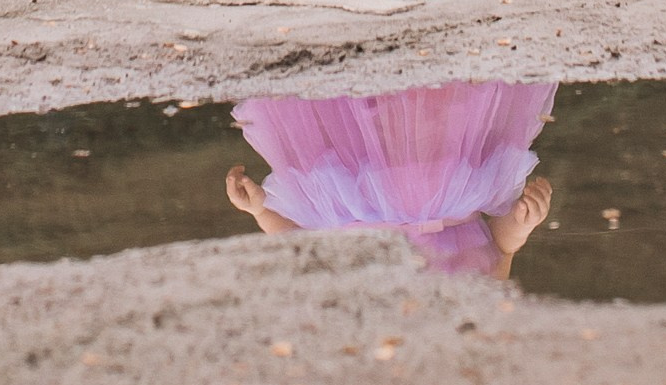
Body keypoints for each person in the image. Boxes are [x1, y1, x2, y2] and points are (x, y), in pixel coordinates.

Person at [224, 77, 555, 277]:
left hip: (352, 197)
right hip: (441, 183)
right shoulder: (474, 315)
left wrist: (261, 210)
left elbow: (299, 247)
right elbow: (500, 250)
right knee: (428, 109)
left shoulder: (352, 313)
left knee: (355, 114)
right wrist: (522, 223)